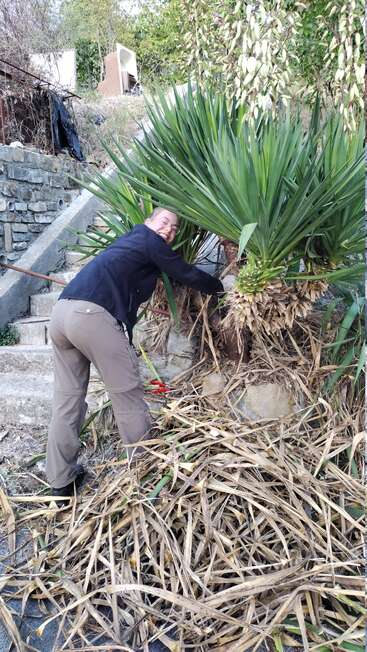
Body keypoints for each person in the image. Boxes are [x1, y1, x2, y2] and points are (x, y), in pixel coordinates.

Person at [46, 207, 223, 502]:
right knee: (127, 396)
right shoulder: (147, 239)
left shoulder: (128, 244)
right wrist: (220, 290)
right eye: (164, 222)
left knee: (67, 400)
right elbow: (185, 272)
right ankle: (145, 481)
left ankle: (60, 483)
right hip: (92, 317)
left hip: (61, 316)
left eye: (174, 228)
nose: (169, 230)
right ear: (147, 222)